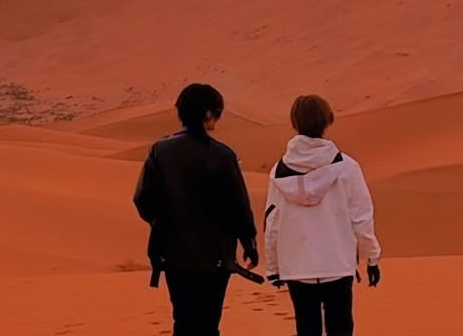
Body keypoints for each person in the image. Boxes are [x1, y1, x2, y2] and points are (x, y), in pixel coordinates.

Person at [134, 83, 259, 336]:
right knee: (209, 323)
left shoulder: (160, 151)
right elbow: (238, 205)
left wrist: (163, 224)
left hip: (175, 255)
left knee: (183, 321)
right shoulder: (223, 155)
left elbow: (143, 199)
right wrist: (248, 241)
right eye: (218, 113)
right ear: (208, 114)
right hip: (216, 256)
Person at [264, 95, 382, 336]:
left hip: (297, 267)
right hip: (337, 264)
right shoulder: (347, 167)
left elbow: (272, 221)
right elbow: (362, 218)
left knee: (306, 329)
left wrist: (273, 267)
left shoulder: (279, 171)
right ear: (328, 120)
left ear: (295, 122)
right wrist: (371, 258)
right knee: (341, 329)